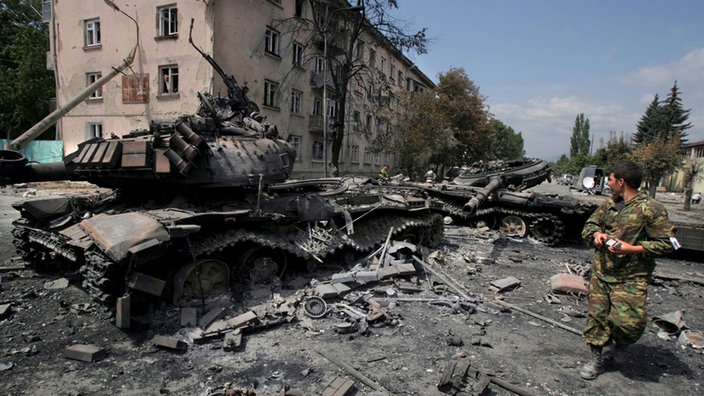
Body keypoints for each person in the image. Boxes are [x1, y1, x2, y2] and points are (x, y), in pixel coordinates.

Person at [579, 160, 678, 380]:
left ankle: (621, 345)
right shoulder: (610, 204)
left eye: (611, 179)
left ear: (621, 181)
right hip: (602, 273)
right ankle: (596, 358)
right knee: (597, 319)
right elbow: (590, 225)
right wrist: (597, 235)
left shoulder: (650, 208)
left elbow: (670, 243)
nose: (608, 183)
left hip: (631, 277)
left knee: (629, 322)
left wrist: (632, 248)